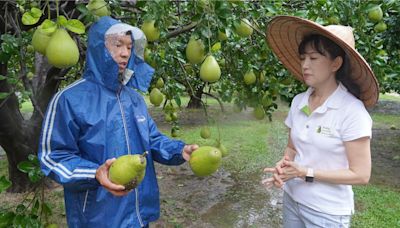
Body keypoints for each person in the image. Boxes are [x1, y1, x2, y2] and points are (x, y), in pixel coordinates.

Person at [38, 16, 198, 228]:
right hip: (98, 218)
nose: (125, 53)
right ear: (98, 47)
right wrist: (94, 173)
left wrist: (180, 150)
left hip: (139, 217)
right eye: (117, 45)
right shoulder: (70, 99)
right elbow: (53, 156)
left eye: (130, 47)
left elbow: (152, 140)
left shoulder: (134, 99)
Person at [262, 16, 379, 227]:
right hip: (292, 200)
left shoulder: (351, 111)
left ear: (336, 63)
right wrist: (285, 165)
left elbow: (361, 174)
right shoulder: (299, 101)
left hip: (327, 212)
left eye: (314, 58)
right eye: (303, 58)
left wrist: (305, 172)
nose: (305, 65)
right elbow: (291, 147)